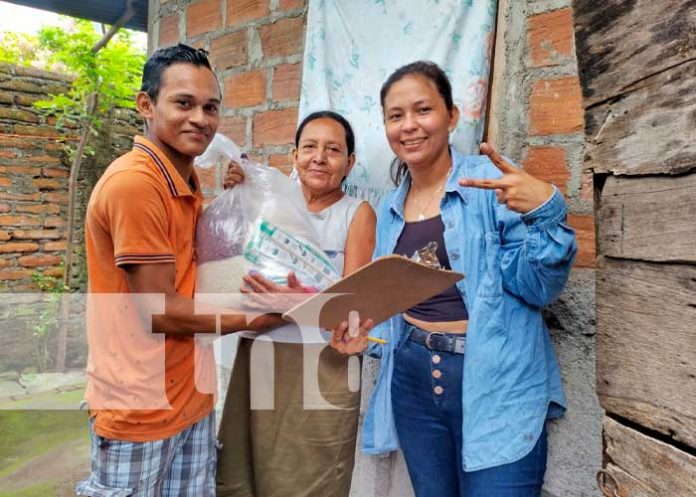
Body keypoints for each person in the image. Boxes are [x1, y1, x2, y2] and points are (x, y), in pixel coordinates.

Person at [331, 61, 577, 497]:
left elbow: (538, 288)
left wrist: (547, 212)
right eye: (395, 115)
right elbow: (392, 301)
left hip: (494, 381)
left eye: (422, 110)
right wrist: (365, 339)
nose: (409, 126)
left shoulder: (488, 184)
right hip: (412, 376)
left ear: (452, 115)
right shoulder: (391, 206)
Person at [77, 44, 285, 497]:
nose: (201, 119)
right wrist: (257, 319)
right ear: (146, 105)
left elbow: (199, 270)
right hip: (139, 410)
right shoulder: (136, 184)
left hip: (189, 399)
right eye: (184, 103)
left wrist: (240, 203)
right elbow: (161, 311)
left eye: (211, 107)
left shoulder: (183, 181)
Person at [216, 111, 376, 497]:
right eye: (310, 147)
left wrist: (298, 301)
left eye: (333, 149)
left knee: (310, 476)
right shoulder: (272, 207)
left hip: (323, 364)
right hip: (259, 352)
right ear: (294, 155)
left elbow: (353, 305)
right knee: (245, 469)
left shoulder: (356, 214)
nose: (319, 157)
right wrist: (239, 192)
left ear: (349, 163)